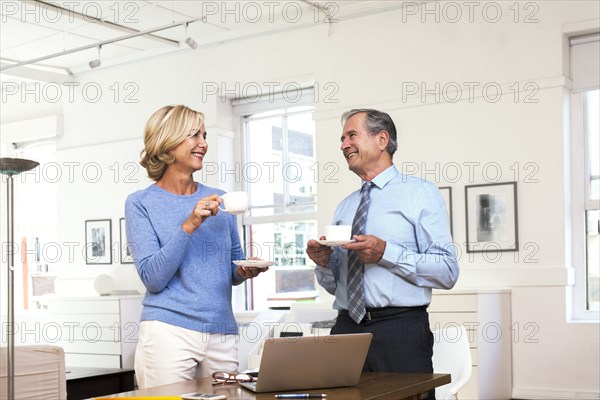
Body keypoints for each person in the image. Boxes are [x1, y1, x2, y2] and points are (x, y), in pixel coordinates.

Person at [306, 109, 459, 398]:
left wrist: (385, 253)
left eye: (351, 135)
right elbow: (335, 286)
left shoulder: (420, 193)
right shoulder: (345, 207)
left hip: (400, 330)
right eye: (341, 138)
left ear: (381, 139)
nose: (343, 145)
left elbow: (447, 271)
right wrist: (324, 264)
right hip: (345, 328)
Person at [125, 105, 267, 389]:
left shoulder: (221, 199)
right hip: (168, 331)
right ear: (167, 143)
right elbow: (153, 278)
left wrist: (246, 271)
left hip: (221, 329)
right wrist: (189, 225)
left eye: (204, 135)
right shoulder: (140, 203)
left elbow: (232, 268)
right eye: (194, 135)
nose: (204, 143)